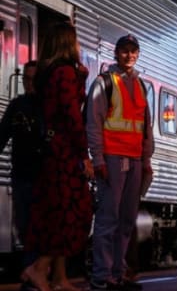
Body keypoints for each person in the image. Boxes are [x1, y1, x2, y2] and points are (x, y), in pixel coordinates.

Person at [20, 23, 94, 291]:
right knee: (75, 212)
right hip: (64, 153)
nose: (78, 46)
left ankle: (60, 277)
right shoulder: (64, 73)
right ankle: (39, 268)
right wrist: (84, 154)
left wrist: (82, 78)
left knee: (58, 213)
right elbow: (72, 115)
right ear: (67, 42)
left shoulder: (48, 72)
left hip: (53, 151)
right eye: (75, 41)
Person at [87, 34, 155, 291]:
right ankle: (102, 277)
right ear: (116, 54)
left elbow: (145, 125)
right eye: (124, 51)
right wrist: (98, 158)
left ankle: (118, 274)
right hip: (112, 159)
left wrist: (147, 158)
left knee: (126, 219)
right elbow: (94, 122)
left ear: (137, 54)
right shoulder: (104, 82)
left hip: (135, 160)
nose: (129, 55)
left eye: (133, 51)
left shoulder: (140, 85)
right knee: (108, 219)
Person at [0, 61, 41, 280]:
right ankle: (31, 271)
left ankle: (34, 271)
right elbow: (2, 134)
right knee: (24, 225)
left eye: (34, 79)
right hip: (21, 175)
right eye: (26, 78)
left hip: (42, 177)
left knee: (36, 227)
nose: (29, 83)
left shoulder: (47, 107)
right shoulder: (16, 106)